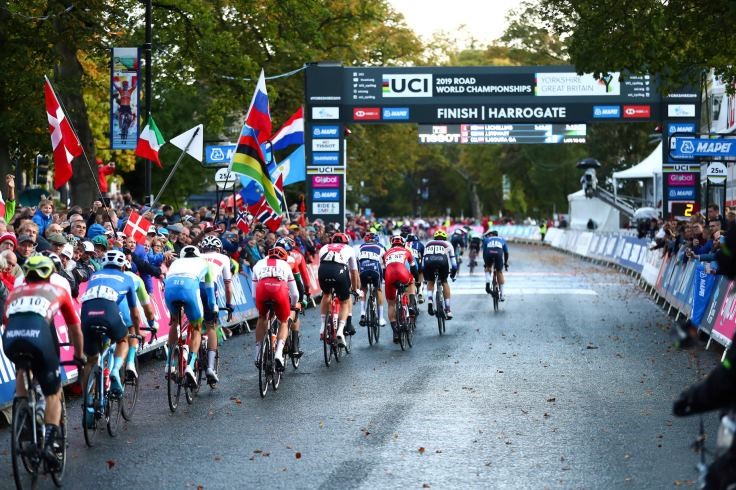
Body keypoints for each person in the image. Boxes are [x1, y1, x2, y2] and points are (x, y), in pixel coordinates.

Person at [2, 256, 84, 470]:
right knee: (53, 392)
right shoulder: (58, 290)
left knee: (22, 367)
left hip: (11, 339)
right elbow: (74, 328)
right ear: (50, 275)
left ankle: (23, 409)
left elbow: (8, 321)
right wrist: (79, 355)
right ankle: (48, 441)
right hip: (39, 337)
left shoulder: (14, 292)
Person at [79, 250, 140, 401]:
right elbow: (135, 313)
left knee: (90, 360)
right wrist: (137, 332)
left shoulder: (94, 275)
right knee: (123, 339)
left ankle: (87, 401)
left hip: (87, 312)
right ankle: (115, 370)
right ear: (123, 266)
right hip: (108, 311)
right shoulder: (127, 278)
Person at [163, 245, 216, 387]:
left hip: (170, 290)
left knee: (175, 323)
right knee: (197, 328)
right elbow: (210, 295)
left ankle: (169, 363)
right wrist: (213, 308)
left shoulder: (175, 263)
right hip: (189, 289)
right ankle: (190, 366)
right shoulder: (204, 263)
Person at [251, 246, 299, 370]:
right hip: (280, 291)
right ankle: (278, 353)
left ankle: (258, 354)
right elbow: (294, 294)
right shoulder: (285, 265)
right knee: (284, 321)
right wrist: (293, 305)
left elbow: (253, 294)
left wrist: (260, 310)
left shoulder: (258, 264)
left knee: (262, 319)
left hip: (262, 289)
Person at [199, 235, 235, 385]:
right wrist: (229, 304)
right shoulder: (223, 258)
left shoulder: (197, 255)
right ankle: (210, 367)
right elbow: (227, 285)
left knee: (192, 325)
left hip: (191, 288)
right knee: (211, 326)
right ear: (219, 249)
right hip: (209, 289)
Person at [317, 232, 360, 346]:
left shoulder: (324, 248)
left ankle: (322, 327)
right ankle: (340, 330)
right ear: (346, 242)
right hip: (339, 271)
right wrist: (355, 290)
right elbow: (354, 272)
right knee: (345, 301)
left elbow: (318, 267)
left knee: (326, 295)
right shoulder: (349, 248)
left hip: (323, 270)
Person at [119, 258, 158, 380]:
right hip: (124, 311)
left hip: (99, 311)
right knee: (132, 332)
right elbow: (148, 309)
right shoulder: (136, 279)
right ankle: (130, 362)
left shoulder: (104, 275)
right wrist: (152, 324)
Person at [383, 235, 417, 343]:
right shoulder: (406, 250)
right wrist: (416, 278)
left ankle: (395, 332)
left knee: (391, 304)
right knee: (411, 282)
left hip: (389, 276)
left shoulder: (386, 253)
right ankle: (411, 305)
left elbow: (384, 271)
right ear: (403, 243)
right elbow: (414, 267)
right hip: (402, 272)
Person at [423, 229, 457, 319]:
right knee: (444, 282)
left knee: (430, 280)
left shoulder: (428, 243)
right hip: (442, 262)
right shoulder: (448, 244)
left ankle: (430, 301)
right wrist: (453, 273)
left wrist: (424, 274)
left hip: (428, 262)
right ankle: (448, 310)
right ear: (445, 238)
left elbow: (423, 261)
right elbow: (454, 263)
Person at [357, 231, 387, 327]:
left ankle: (362, 312)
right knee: (378, 289)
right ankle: (381, 318)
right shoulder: (381, 247)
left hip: (363, 269)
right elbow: (386, 263)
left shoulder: (361, 246)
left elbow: (358, 260)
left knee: (363, 289)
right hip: (375, 269)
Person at [482, 230, 509, 301]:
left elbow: (484, 253)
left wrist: (486, 264)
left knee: (488, 268)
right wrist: (505, 263)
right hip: (498, 254)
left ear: (492, 235)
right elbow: (506, 253)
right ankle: (502, 295)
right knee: (499, 272)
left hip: (489, 253)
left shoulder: (486, 239)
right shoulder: (502, 239)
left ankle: (488, 282)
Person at [406, 233, 426, 303]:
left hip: (406, 262)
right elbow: (424, 257)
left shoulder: (405, 244)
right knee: (421, 271)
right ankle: (420, 290)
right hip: (416, 261)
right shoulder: (420, 244)